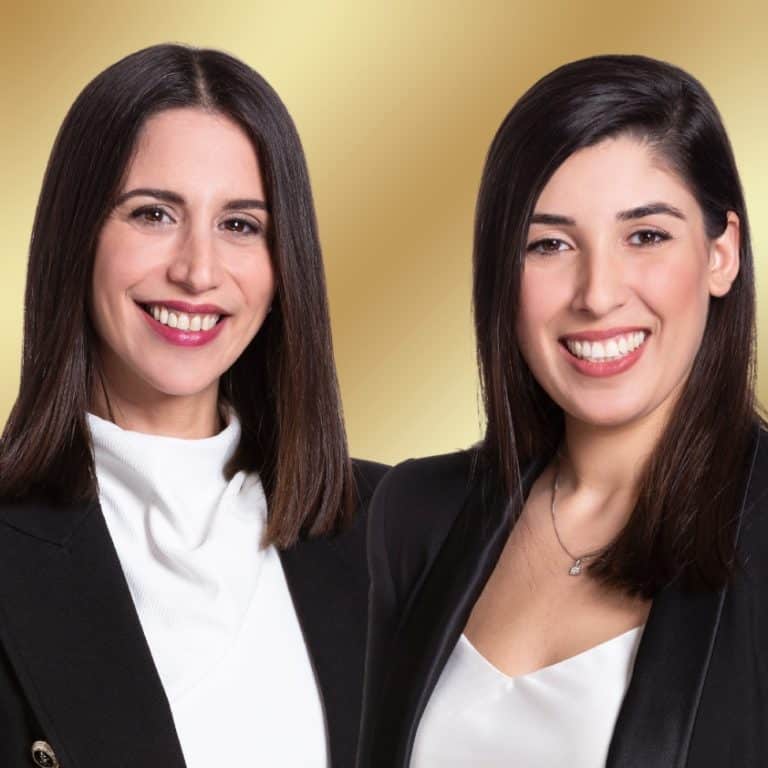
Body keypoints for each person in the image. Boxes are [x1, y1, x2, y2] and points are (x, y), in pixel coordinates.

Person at [358, 54, 767, 768]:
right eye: (549, 244)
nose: (597, 294)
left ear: (721, 254)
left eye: (646, 235)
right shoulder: (417, 515)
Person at [0, 44, 386, 768]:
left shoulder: (396, 527)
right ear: (76, 236)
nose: (197, 271)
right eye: (153, 214)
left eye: (240, 225)